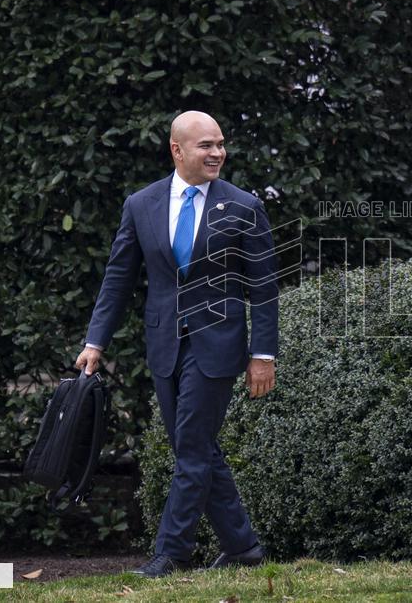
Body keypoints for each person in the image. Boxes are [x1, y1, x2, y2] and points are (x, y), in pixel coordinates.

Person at [75, 110, 279, 578]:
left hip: (218, 346)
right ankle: (243, 547)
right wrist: (95, 342)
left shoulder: (245, 207)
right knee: (197, 448)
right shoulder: (141, 204)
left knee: (190, 448)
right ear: (177, 150)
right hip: (165, 344)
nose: (218, 153)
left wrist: (262, 355)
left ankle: (171, 553)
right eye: (207, 145)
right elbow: (118, 278)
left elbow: (264, 288)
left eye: (221, 144)